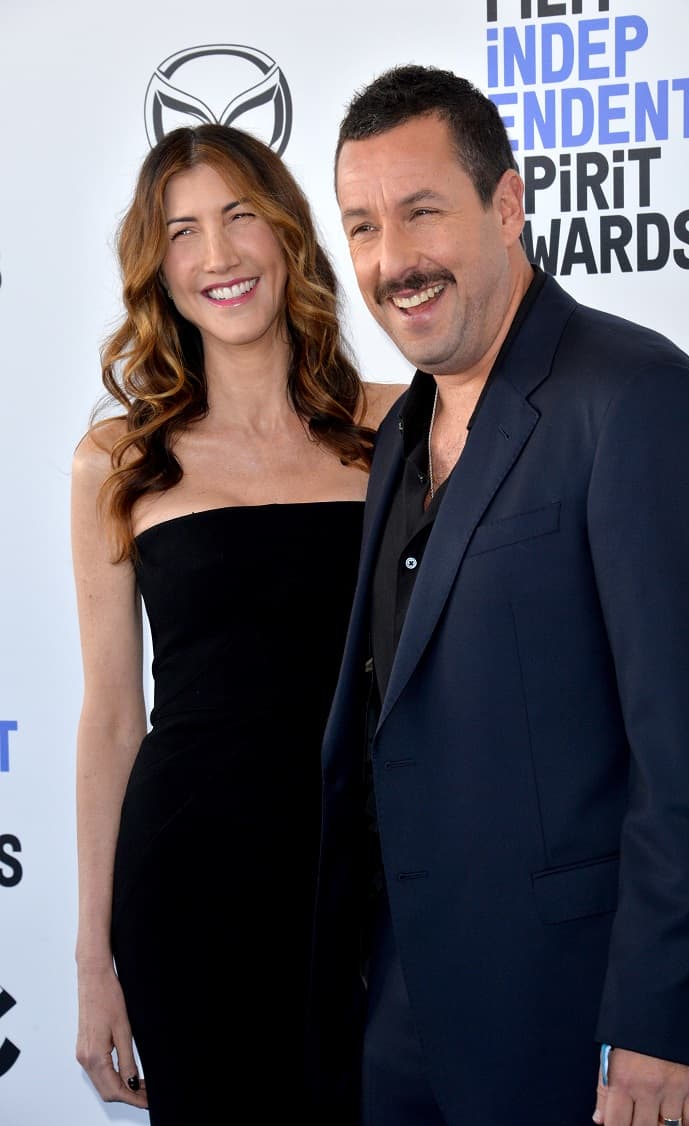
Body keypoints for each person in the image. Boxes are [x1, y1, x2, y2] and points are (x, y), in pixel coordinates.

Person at [308, 64, 689, 1126]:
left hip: (583, 1029)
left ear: (508, 205)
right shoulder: (400, 437)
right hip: (406, 1016)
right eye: (362, 227)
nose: (392, 261)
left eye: (422, 213)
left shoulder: (637, 400)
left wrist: (663, 1020)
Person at [71, 122, 404, 1125]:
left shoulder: (400, 428)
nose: (216, 256)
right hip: (194, 878)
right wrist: (95, 961)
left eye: (238, 218)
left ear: (288, 236)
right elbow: (113, 720)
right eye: (181, 232)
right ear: (156, 269)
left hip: (378, 876)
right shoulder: (118, 460)